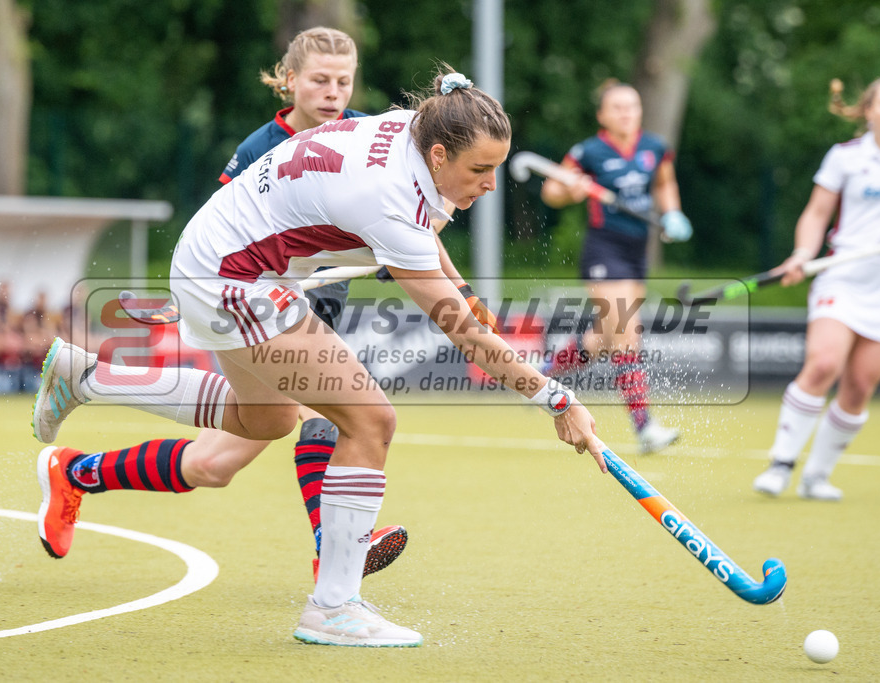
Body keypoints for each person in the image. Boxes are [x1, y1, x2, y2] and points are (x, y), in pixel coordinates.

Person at [31, 69, 601, 647]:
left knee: (268, 419)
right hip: (236, 279)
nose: (490, 184)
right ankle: (333, 608)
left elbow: (429, 241)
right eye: (480, 170)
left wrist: (468, 295)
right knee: (370, 419)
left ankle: (90, 379)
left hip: (220, 259)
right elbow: (459, 329)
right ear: (437, 154)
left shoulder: (411, 129)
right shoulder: (388, 198)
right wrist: (556, 398)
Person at [753, 74, 880, 501]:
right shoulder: (845, 158)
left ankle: (817, 476)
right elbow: (816, 214)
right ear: (868, 110)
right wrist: (800, 255)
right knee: (824, 365)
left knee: (860, 386)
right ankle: (781, 463)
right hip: (842, 279)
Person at [538, 79, 691, 454]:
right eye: (618, 107)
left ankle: (540, 378)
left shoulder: (655, 148)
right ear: (602, 115)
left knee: (603, 340)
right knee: (626, 334)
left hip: (638, 251)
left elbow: (664, 185)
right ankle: (645, 427)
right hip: (604, 249)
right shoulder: (589, 151)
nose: (626, 113)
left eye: (632, 106)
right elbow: (552, 190)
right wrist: (571, 189)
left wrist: (672, 213)